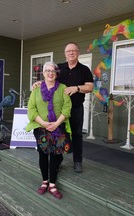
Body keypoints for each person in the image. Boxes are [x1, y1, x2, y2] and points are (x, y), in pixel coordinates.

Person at [33, 42, 94, 173]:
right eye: (68, 51)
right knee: (59, 134)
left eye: (74, 50)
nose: (71, 53)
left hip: (76, 108)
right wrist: (39, 83)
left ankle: (77, 161)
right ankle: (58, 161)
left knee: (77, 135)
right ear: (65, 54)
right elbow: (50, 77)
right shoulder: (59, 68)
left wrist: (77, 88)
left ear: (78, 53)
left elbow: (90, 87)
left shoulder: (84, 70)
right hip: (59, 110)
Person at [26, 61, 72, 199]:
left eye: (53, 71)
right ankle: (44, 181)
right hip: (41, 127)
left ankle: (52, 184)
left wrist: (56, 123)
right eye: (48, 71)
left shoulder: (63, 88)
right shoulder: (36, 89)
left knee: (56, 155)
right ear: (43, 73)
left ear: (56, 73)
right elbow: (31, 109)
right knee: (43, 154)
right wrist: (44, 124)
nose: (50, 73)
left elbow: (67, 108)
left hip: (58, 127)